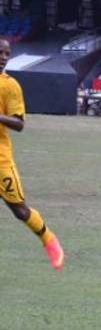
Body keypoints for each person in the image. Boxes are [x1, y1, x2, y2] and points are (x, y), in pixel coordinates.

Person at [0, 38, 64, 270]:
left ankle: (49, 239)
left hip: (1, 159)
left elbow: (19, 124)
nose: (3, 58)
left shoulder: (10, 86)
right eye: (0, 53)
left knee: (19, 210)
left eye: (7, 54)